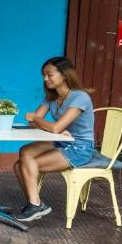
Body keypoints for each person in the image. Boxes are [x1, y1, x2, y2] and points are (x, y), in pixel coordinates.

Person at [12, 56, 95, 223]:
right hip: (60, 140)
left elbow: (49, 124)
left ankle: (35, 205)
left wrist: (43, 121)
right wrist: (47, 124)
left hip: (80, 147)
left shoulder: (80, 97)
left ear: (64, 74)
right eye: (44, 75)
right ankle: (36, 204)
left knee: (21, 166)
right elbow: (33, 123)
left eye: (49, 74)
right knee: (24, 151)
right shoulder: (51, 97)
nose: (45, 79)